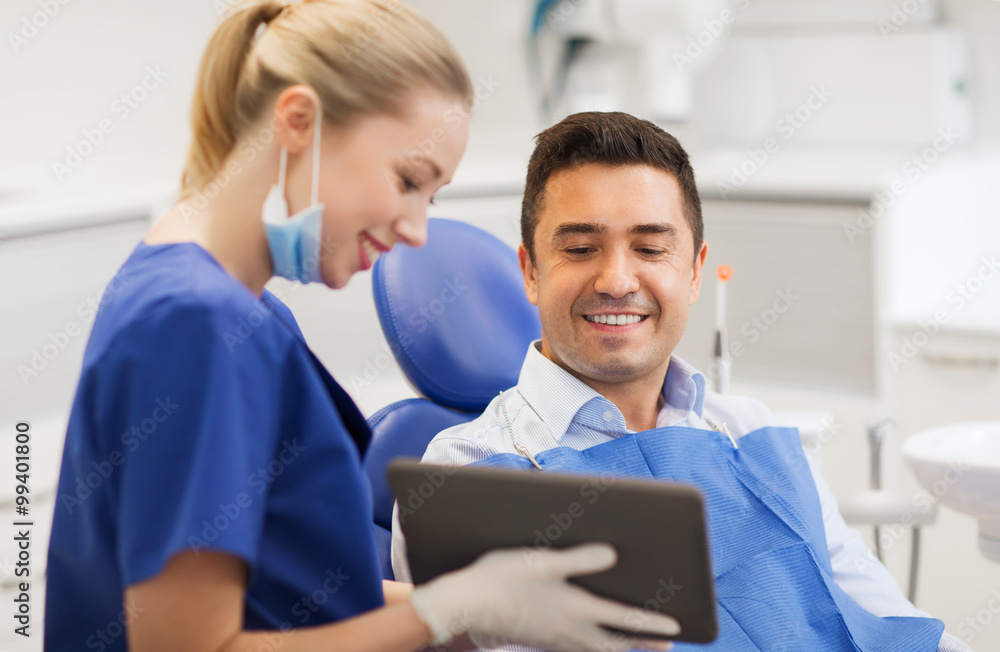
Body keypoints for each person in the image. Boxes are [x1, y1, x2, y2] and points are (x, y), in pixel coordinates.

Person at [43, 4, 683, 651]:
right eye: (408, 180)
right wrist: (440, 612)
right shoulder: (200, 324)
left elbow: (284, 595)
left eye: (429, 197)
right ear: (298, 122)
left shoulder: (224, 304)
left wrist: (497, 605)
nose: (415, 230)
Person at [390, 111, 972, 652]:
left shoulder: (754, 432)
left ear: (694, 271)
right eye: (580, 248)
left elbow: (873, 609)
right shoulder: (465, 472)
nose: (617, 279)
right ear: (531, 272)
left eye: (649, 247)